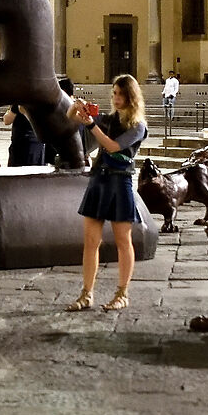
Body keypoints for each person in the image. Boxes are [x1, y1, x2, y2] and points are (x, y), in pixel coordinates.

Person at [68, 73, 148, 312]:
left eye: (121, 94)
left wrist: (91, 124)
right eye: (114, 93)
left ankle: (122, 293)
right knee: (91, 242)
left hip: (119, 182)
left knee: (124, 241)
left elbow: (113, 146)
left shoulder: (138, 127)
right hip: (99, 181)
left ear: (130, 97)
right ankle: (86, 293)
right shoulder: (108, 119)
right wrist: (76, 108)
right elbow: (69, 118)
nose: (116, 98)